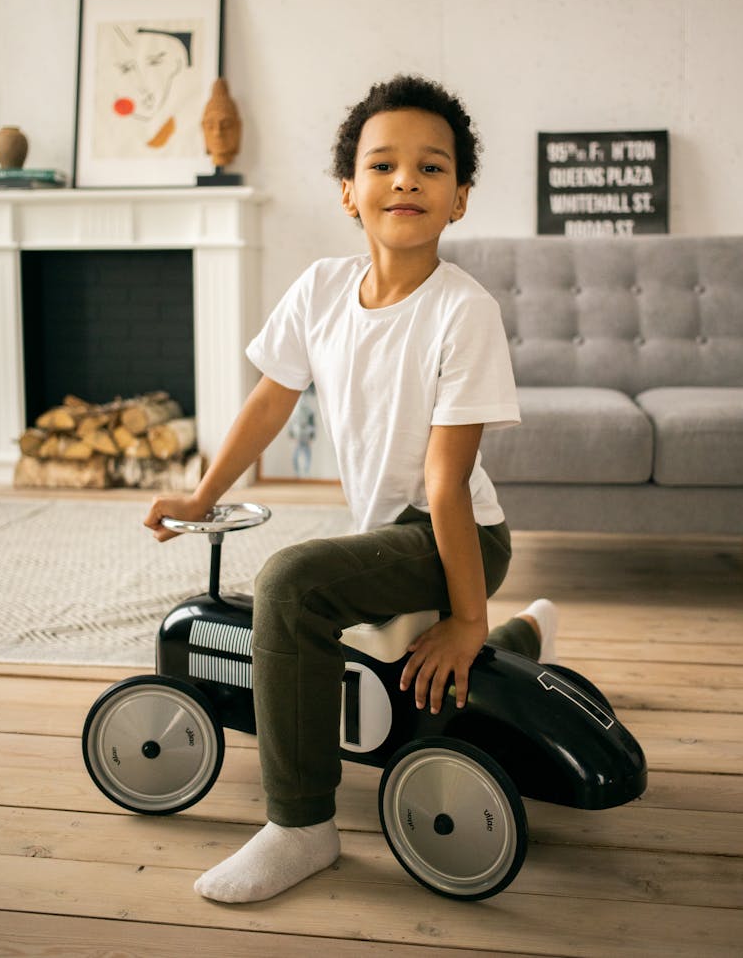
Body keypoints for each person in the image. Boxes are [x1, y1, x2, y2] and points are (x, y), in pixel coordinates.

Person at [144, 74, 559, 904]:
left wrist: (466, 616)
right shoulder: (321, 290)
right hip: (398, 527)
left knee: (292, 583)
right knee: (393, 653)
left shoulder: (462, 310)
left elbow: (446, 485)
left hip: (462, 534)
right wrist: (199, 496)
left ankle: (302, 824)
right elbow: (269, 402)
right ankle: (520, 638)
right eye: (384, 164)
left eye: (432, 167)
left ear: (460, 199)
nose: (406, 179)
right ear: (349, 191)